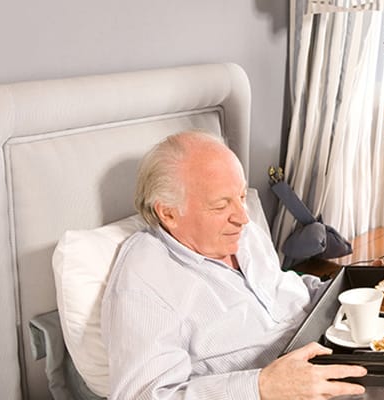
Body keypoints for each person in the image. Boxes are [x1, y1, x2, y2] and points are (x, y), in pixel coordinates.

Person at [101, 131, 368, 400]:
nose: (242, 217)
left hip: (334, 355)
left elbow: (283, 288)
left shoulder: (240, 232)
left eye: (241, 197)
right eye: (220, 205)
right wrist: (260, 387)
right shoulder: (145, 279)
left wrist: (345, 287)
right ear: (168, 212)